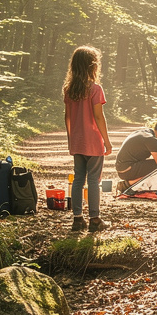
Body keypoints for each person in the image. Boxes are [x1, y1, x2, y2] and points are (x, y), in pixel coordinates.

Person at [63, 46, 112, 233]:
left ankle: (77, 219)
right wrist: (107, 141)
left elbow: (67, 117)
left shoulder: (69, 90)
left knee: (77, 180)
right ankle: (95, 220)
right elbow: (99, 117)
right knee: (93, 180)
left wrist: (71, 139)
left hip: (77, 142)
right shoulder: (95, 89)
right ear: (93, 66)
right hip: (93, 141)